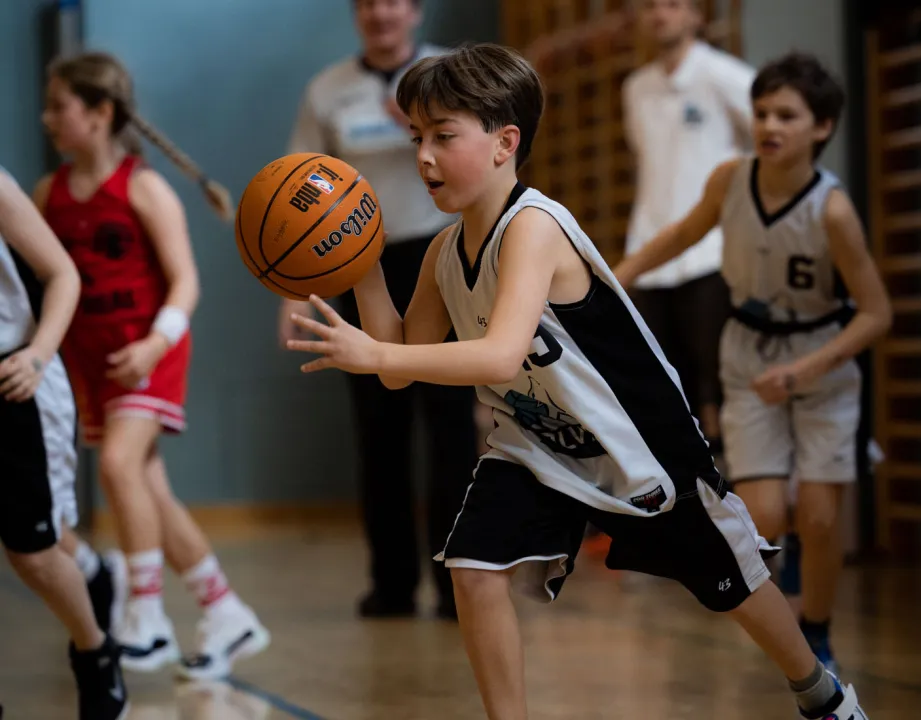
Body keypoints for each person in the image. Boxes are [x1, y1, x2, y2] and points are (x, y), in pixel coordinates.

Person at [286, 43, 870, 719]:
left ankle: (822, 695)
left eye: (444, 136)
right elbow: (401, 363)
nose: (424, 156)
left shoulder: (534, 226)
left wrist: (379, 358)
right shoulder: (445, 251)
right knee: (473, 569)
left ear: (505, 143)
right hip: (538, 444)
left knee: (732, 583)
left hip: (637, 442)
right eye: (416, 137)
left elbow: (496, 356)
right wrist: (361, 264)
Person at [614, 52, 892, 673]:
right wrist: (617, 277)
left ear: (822, 128)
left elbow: (876, 314)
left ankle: (817, 629)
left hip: (820, 359)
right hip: (748, 351)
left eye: (786, 116)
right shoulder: (729, 180)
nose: (769, 125)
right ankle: (785, 587)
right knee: (763, 513)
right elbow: (680, 236)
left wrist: (805, 371)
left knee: (820, 517)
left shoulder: (833, 211)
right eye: (762, 112)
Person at [36, 50, 269, 679]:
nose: (47, 118)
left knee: (118, 465)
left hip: (149, 352)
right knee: (149, 491)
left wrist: (153, 346)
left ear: (99, 113)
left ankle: (146, 614)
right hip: (92, 361)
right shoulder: (48, 193)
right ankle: (225, 611)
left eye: (59, 106)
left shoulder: (143, 187)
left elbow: (186, 283)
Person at [279, 0, 477, 620]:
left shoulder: (450, 72)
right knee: (379, 432)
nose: (379, 12)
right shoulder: (328, 89)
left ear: (414, 11)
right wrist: (294, 293)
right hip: (362, 261)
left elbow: (492, 155)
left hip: (443, 254)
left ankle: (455, 581)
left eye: (392, 0)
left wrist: (424, 119)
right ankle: (391, 585)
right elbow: (299, 187)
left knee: (452, 430)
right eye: (367, 2)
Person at [0, 165, 128, 719]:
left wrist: (37, 354)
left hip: (16, 379)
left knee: (33, 552)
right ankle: (94, 575)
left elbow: (62, 275)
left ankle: (96, 653)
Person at [620, 0, 754, 454]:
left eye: (673, 3)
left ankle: (738, 487)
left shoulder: (724, 75)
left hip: (710, 256)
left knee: (722, 386)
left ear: (697, 14)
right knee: (665, 393)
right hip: (653, 259)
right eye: (650, 5)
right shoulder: (636, 88)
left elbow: (769, 143)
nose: (660, 13)